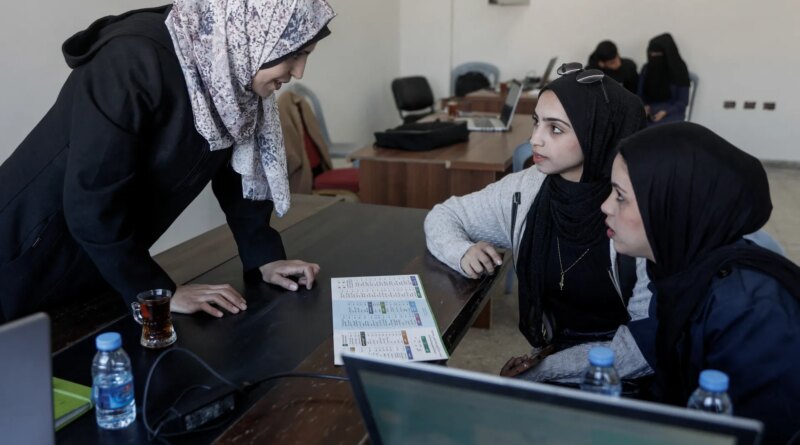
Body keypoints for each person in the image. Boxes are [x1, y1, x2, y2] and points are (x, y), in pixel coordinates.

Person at [0, 0, 336, 323]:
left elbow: (238, 169)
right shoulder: (131, 61)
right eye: (293, 55)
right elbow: (91, 201)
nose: (299, 72)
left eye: (305, 55)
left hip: (102, 263)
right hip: (22, 257)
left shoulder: (229, 67)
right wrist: (155, 290)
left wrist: (265, 257)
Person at [425, 62, 653, 384]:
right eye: (536, 123)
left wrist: (545, 371)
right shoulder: (527, 187)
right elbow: (444, 215)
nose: (535, 139)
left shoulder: (637, 207)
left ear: (596, 134)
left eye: (555, 129)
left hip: (627, 375)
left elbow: (645, 347)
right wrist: (461, 252)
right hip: (554, 353)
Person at [602, 122, 800, 443]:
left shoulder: (751, 310)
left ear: (671, 205)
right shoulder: (678, 271)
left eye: (620, 196)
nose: (606, 206)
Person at [637, 33, 691, 125]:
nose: (653, 56)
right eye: (651, 53)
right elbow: (639, 95)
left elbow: (682, 102)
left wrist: (666, 112)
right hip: (650, 109)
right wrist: (644, 107)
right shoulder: (647, 69)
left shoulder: (679, 70)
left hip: (673, 111)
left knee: (659, 133)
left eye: (657, 54)